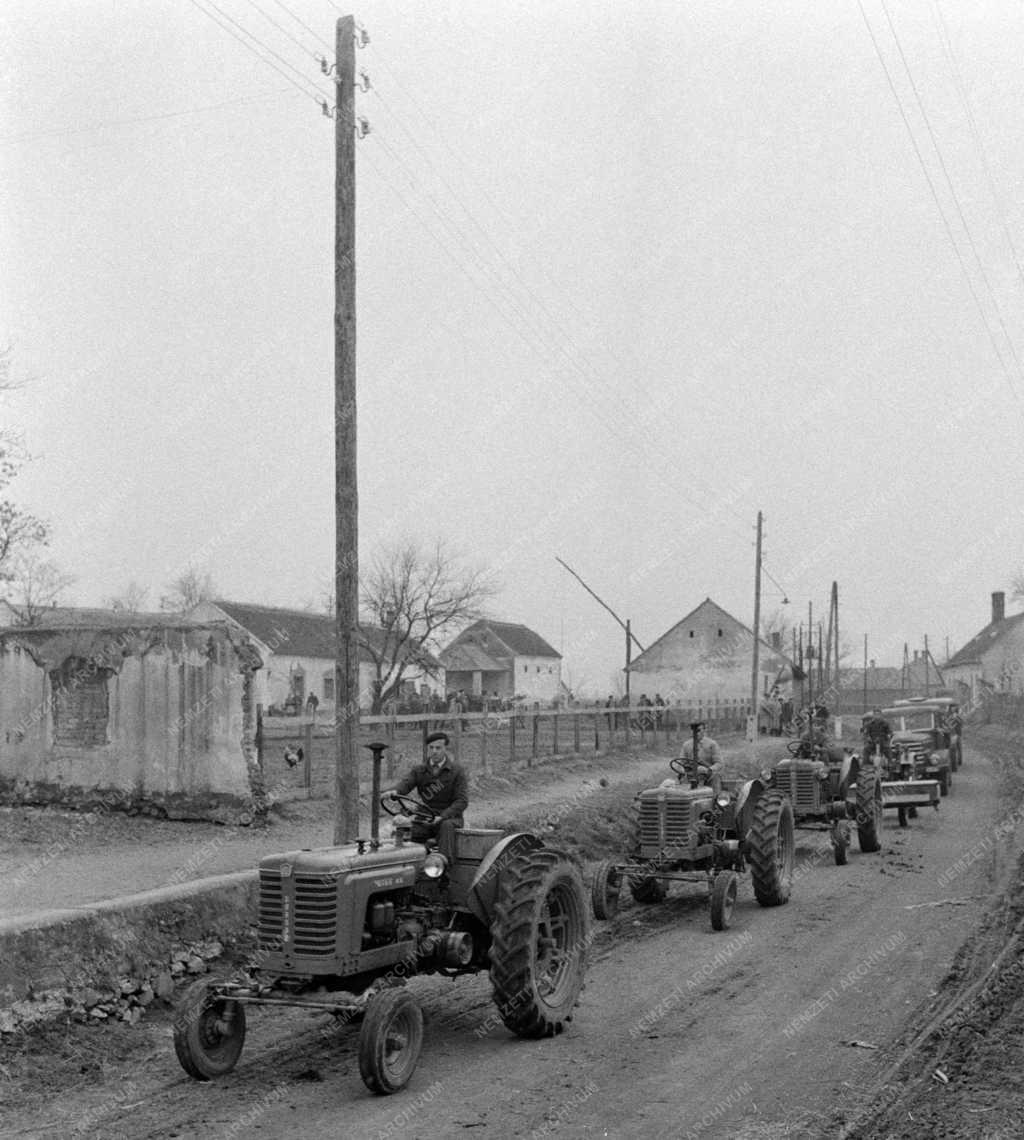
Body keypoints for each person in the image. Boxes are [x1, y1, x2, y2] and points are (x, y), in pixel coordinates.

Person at [387, 731, 468, 863]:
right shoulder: (419, 770)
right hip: (425, 816)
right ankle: (406, 866)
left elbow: (462, 801)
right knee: (404, 828)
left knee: (446, 827)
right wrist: (395, 791)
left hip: (449, 818)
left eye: (438, 748)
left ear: (445, 749)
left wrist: (442, 816)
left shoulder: (456, 771)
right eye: (431, 748)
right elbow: (406, 783)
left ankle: (443, 870)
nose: (434, 751)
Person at [677, 721, 723, 793]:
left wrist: (708, 769)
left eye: (698, 730)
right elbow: (680, 763)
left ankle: (716, 800)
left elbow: (719, 763)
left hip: (707, 775)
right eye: (693, 730)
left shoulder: (712, 744)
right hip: (690, 774)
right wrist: (682, 770)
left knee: (715, 778)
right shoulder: (686, 745)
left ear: (704, 730)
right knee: (673, 782)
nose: (695, 732)